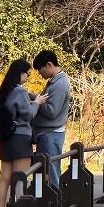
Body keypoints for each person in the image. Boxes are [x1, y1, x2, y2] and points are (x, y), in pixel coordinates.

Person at [0, 58, 48, 207]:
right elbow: (27, 115)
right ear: (20, 73)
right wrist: (37, 102)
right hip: (21, 138)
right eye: (27, 74)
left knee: (5, 178)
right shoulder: (20, 91)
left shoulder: (5, 91)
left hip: (6, 138)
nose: (28, 77)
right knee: (20, 177)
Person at [31, 50, 71, 186]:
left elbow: (52, 111)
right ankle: (52, 197)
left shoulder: (59, 84)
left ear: (49, 64)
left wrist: (36, 100)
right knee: (48, 171)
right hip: (48, 134)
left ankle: (54, 198)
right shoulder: (55, 81)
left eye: (40, 69)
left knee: (50, 172)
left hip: (50, 134)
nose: (39, 73)